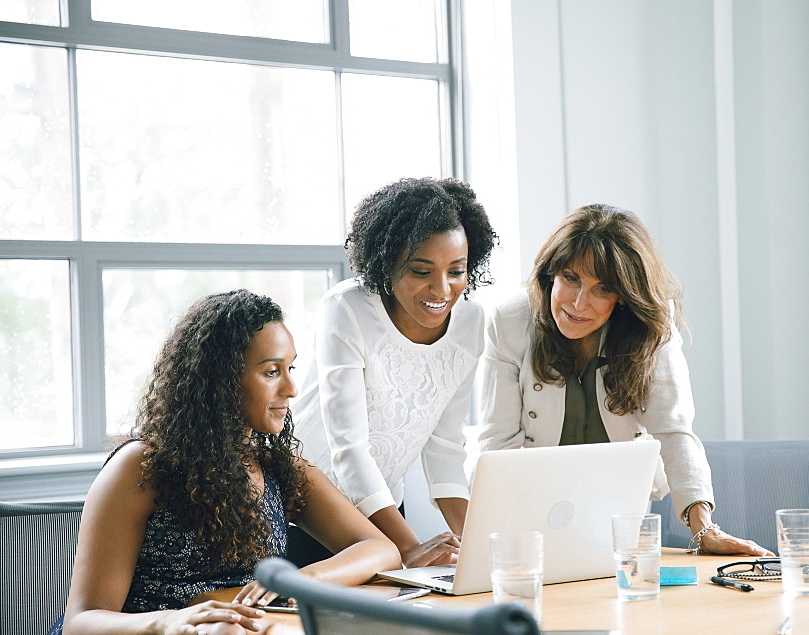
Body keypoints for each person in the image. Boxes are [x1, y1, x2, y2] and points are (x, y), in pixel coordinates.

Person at [33, 290, 399, 635]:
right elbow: (80, 630)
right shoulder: (142, 466)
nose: (291, 389)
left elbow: (381, 550)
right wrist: (169, 621)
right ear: (220, 381)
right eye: (272, 372)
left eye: (291, 369)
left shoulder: (280, 469)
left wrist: (300, 581)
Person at [477, 204, 770, 556]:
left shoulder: (648, 327)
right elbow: (497, 443)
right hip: (530, 515)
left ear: (623, 298)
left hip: (617, 519)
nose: (578, 303)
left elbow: (674, 433)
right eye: (570, 278)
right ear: (550, 273)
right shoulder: (510, 322)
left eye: (602, 289)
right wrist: (506, 534)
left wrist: (704, 529)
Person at [293, 177, 498, 568]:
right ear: (387, 263)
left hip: (382, 506)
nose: (442, 290)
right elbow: (348, 448)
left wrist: (479, 551)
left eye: (456, 270)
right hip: (306, 508)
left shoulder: (471, 322)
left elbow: (445, 447)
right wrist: (408, 549)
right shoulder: (349, 308)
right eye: (421, 271)